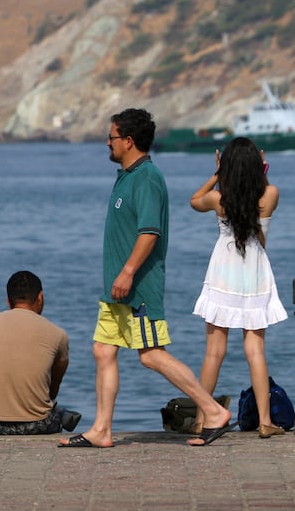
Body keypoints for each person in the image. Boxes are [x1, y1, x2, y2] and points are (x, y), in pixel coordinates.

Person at [60, 108, 234, 448]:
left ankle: (213, 411)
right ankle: (102, 430)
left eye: (110, 137)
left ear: (128, 141)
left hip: (137, 286)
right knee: (102, 350)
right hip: (115, 288)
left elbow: (150, 232)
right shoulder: (126, 175)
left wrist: (127, 272)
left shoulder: (148, 178)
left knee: (151, 354)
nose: (106, 144)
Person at [189, 137, 289, 439]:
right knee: (255, 349)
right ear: (258, 165)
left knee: (213, 352)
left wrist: (218, 173)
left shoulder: (219, 199)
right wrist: (263, 169)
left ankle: (200, 419)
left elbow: (195, 200)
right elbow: (263, 189)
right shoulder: (270, 194)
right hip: (254, 271)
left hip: (224, 270)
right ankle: (264, 421)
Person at [0, 270, 80, 435]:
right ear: (40, 297)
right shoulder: (58, 334)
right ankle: (60, 413)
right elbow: (53, 388)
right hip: (38, 425)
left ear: (8, 300)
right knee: (48, 402)